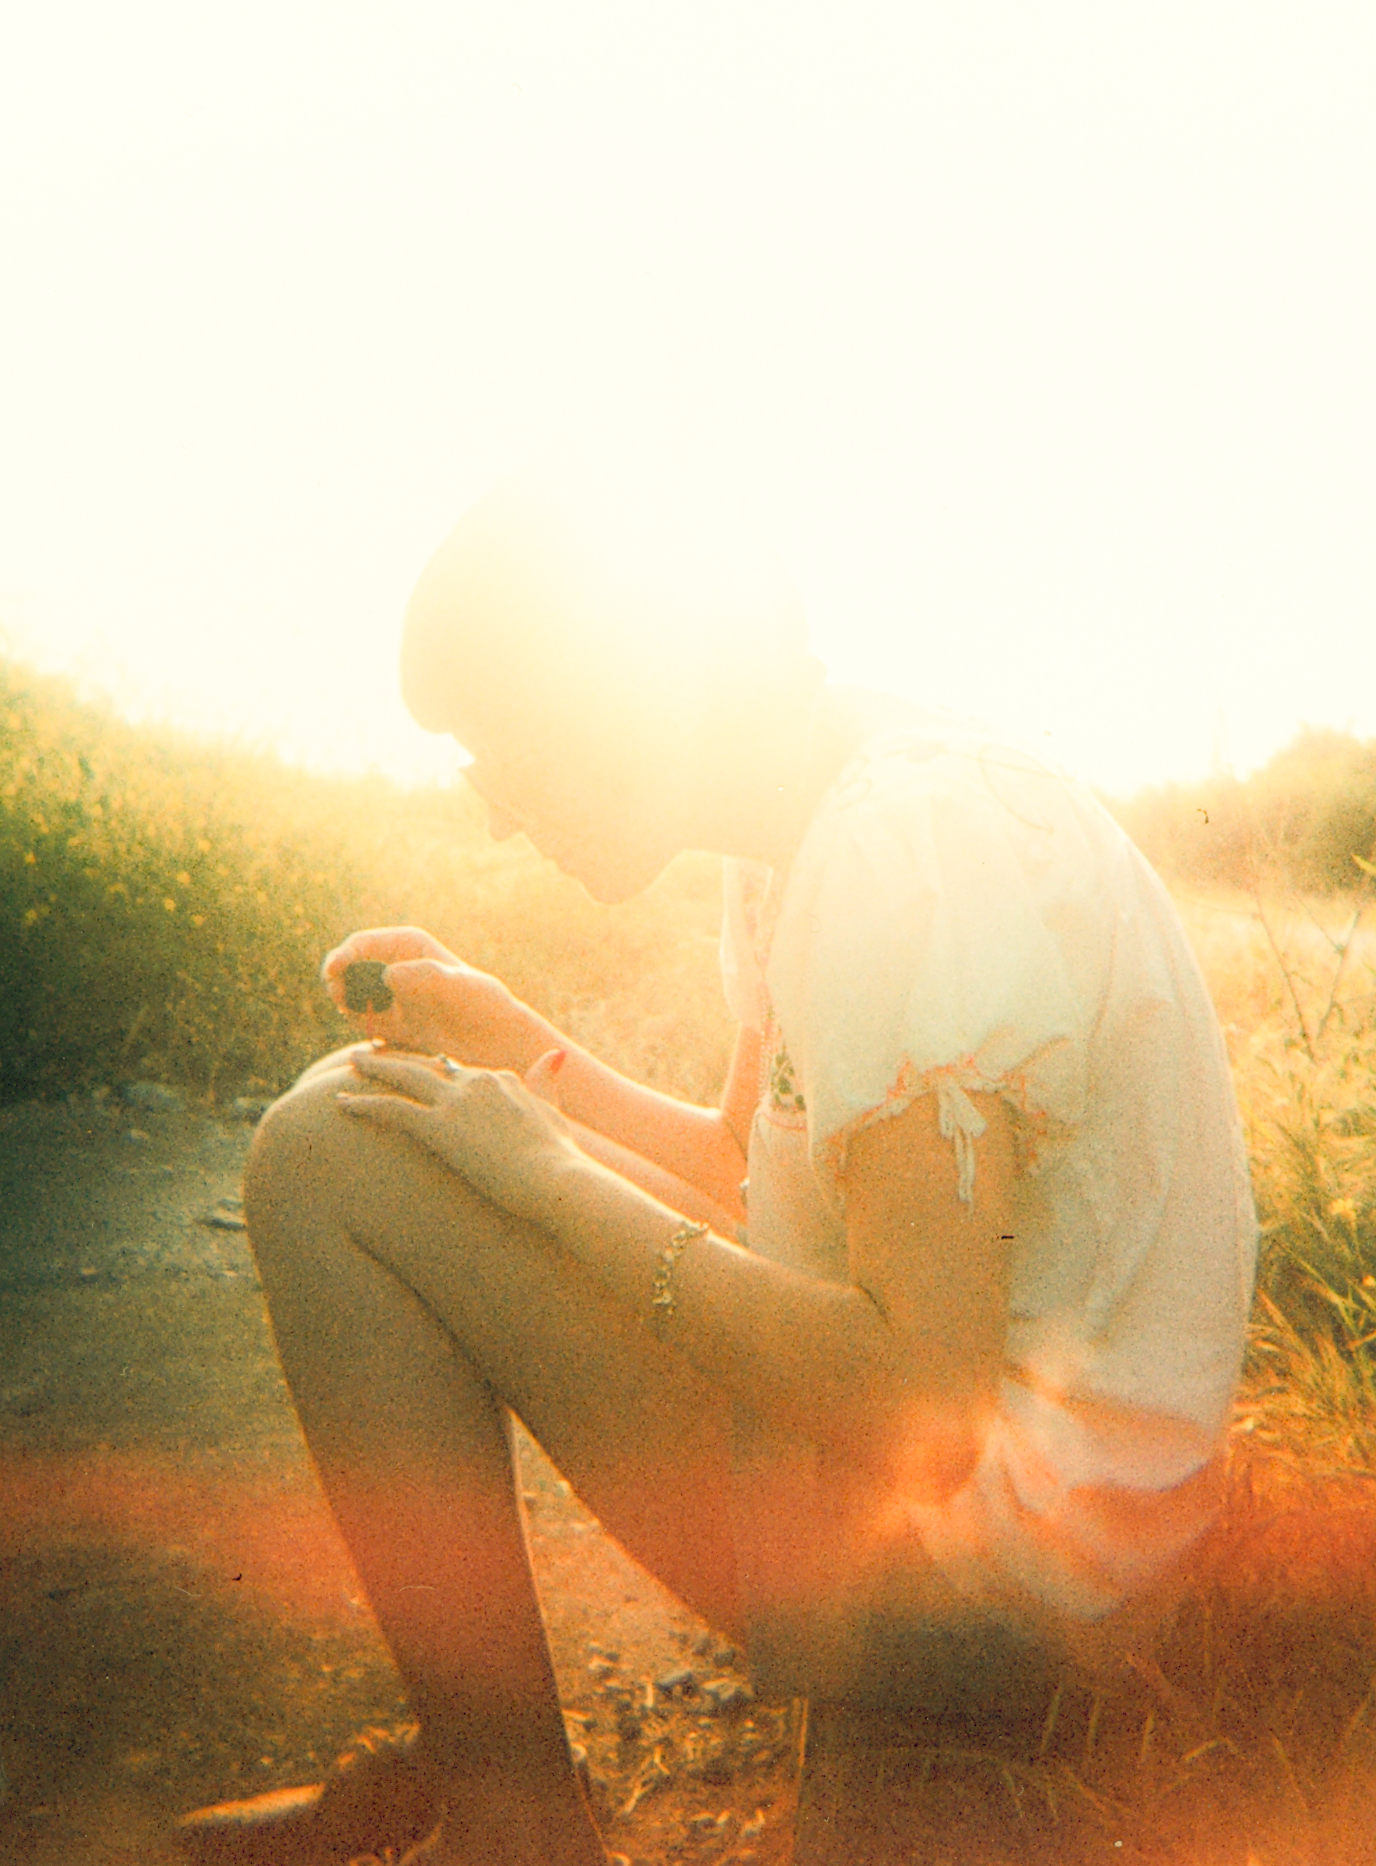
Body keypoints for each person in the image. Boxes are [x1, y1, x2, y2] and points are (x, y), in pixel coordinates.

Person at [176, 472, 1259, 1866]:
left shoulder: (902, 858)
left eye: (498, 754)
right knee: (366, 1114)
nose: (496, 815)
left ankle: (511, 1830)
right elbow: (754, 1184)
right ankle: (491, 1797)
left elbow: (918, 1402)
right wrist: (522, 1051)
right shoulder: (810, 816)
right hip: (1034, 1526)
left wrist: (547, 1181)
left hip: (1022, 1587)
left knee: (331, 1153)